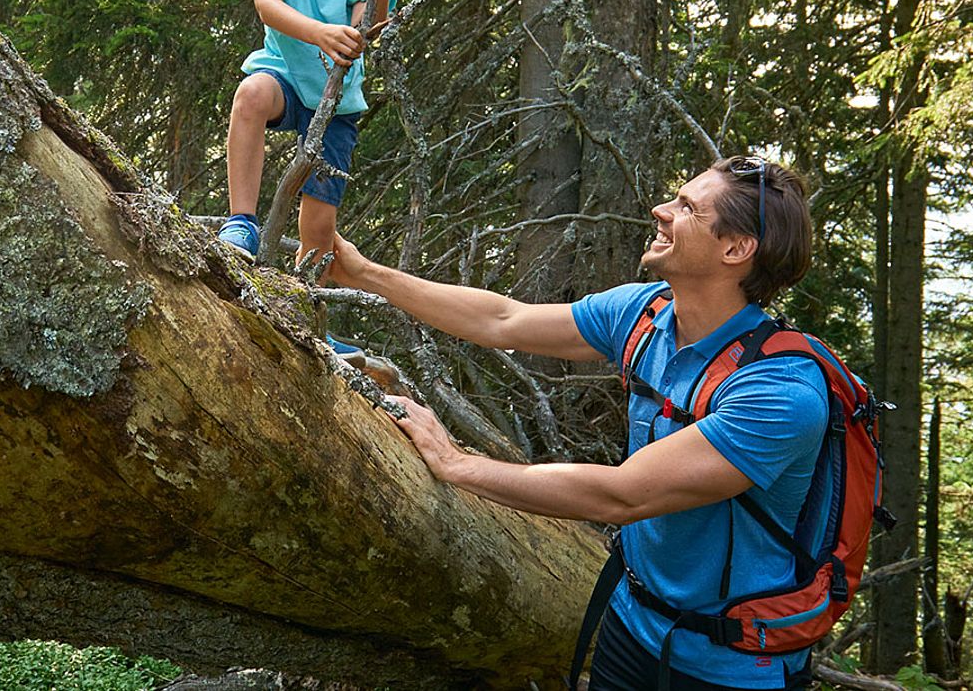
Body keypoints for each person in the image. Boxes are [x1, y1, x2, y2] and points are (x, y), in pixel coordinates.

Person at [322, 156, 824, 690]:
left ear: (736, 248)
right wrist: (362, 274)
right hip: (630, 623)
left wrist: (456, 463)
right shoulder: (647, 314)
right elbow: (503, 319)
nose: (660, 211)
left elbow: (623, 496)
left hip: (730, 667)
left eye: (687, 209)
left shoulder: (780, 394)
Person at [216, 0, 402, 328]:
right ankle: (241, 223)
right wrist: (321, 32)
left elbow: (370, 26)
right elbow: (267, 6)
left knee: (319, 224)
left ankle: (303, 310)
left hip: (336, 101)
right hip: (283, 74)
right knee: (251, 94)